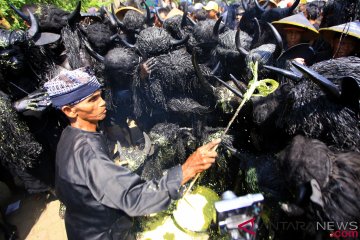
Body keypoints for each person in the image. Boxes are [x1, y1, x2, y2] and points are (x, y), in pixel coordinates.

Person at [44, 67, 221, 240]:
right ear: (69, 110)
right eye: (92, 100)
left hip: (81, 226)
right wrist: (187, 169)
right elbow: (134, 198)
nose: (102, 102)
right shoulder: (90, 154)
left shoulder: (69, 136)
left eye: (100, 95)